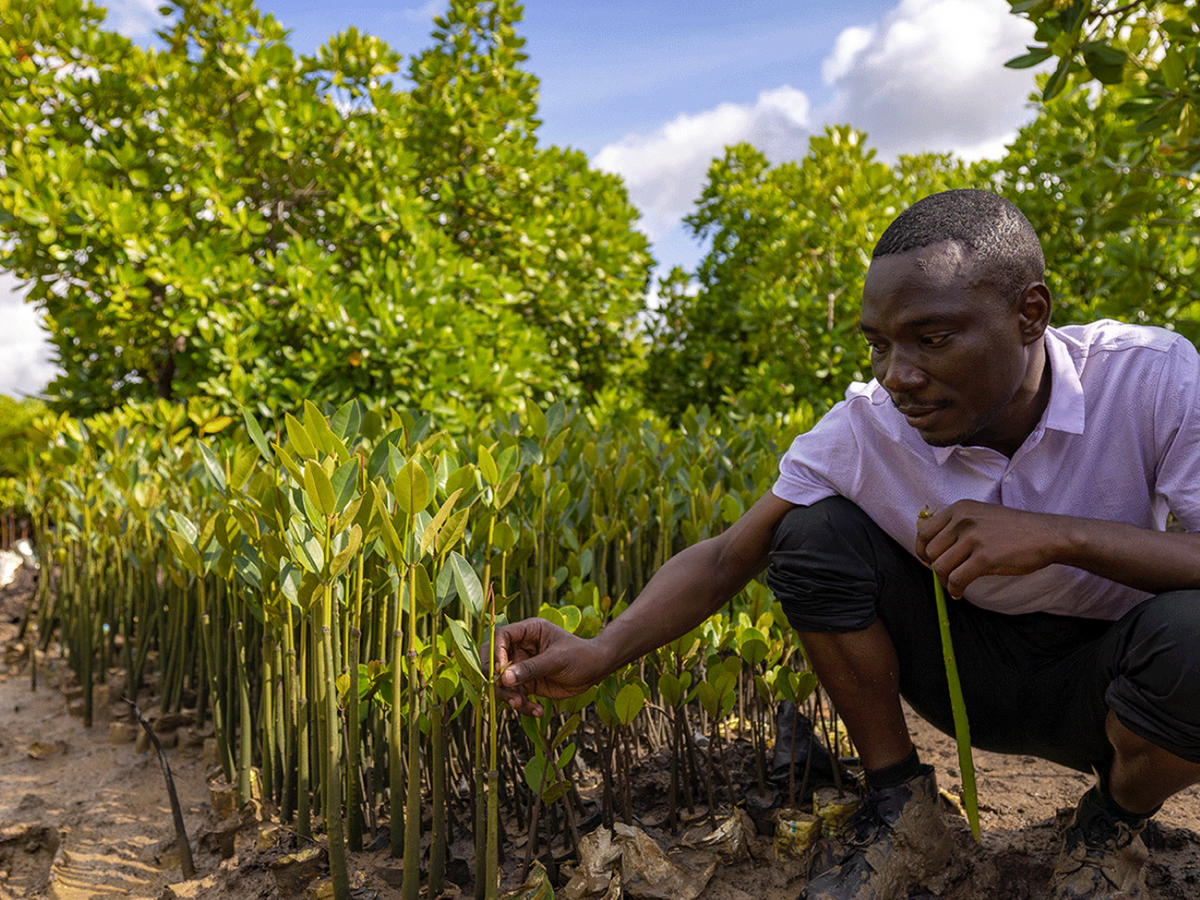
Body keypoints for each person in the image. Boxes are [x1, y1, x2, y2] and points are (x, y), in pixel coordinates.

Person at [492, 189, 1200, 900]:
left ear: (1030, 314)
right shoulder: (865, 427)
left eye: (931, 338)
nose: (898, 375)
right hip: (965, 679)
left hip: (1118, 688)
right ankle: (902, 808)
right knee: (811, 533)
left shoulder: (1150, 377)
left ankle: (1111, 826)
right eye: (879, 344)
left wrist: (1060, 538)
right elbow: (724, 557)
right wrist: (601, 651)